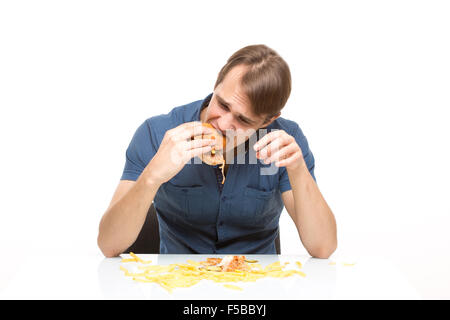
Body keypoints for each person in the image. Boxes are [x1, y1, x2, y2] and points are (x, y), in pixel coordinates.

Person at [97, 44, 337, 258]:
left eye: (243, 120)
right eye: (222, 104)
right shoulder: (157, 133)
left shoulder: (283, 143)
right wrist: (151, 177)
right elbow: (109, 246)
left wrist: (298, 170)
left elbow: (323, 248)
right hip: (178, 283)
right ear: (216, 84)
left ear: (267, 121)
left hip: (260, 287)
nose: (222, 124)